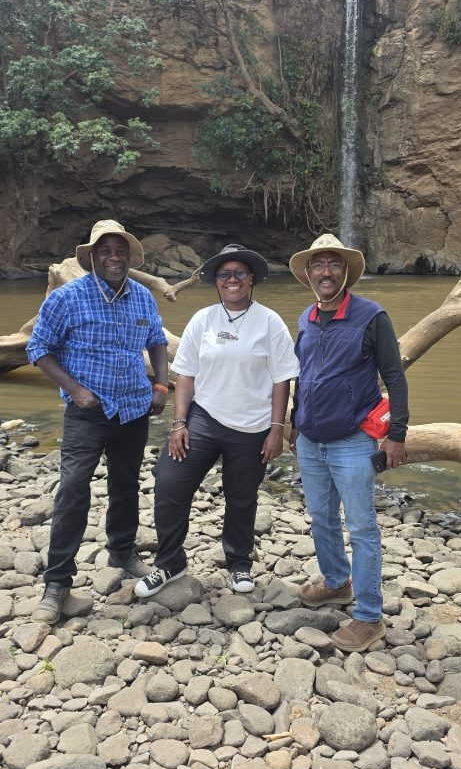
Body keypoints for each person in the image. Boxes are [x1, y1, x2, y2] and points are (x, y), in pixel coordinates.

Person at [135, 243, 299, 598]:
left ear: (251, 278)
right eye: (225, 274)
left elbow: (281, 380)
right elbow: (186, 376)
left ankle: (239, 563)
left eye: (239, 273)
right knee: (169, 483)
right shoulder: (203, 319)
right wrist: (179, 424)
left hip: (253, 427)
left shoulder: (270, 322)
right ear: (216, 281)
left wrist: (276, 429)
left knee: (242, 498)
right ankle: (170, 563)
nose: (232, 279)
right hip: (204, 419)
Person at [27, 219, 168, 624]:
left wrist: (161, 385)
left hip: (134, 409)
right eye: (105, 250)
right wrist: (74, 389)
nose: (114, 257)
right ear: (91, 257)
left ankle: (121, 551)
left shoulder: (142, 297)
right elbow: (38, 347)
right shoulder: (67, 297)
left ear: (129, 257)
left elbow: (157, 341)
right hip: (86, 411)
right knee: (73, 489)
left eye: (120, 251)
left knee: (125, 484)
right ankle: (57, 583)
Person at [289, 232, 409, 653]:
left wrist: (397, 434)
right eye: (319, 264)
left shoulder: (371, 316)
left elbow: (394, 376)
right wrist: (294, 423)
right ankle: (338, 582)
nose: (326, 271)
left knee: (361, 527)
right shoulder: (305, 318)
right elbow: (303, 376)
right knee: (321, 517)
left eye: (334, 264)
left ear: (346, 272)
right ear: (308, 273)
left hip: (354, 439)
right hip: (310, 439)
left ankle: (370, 616)